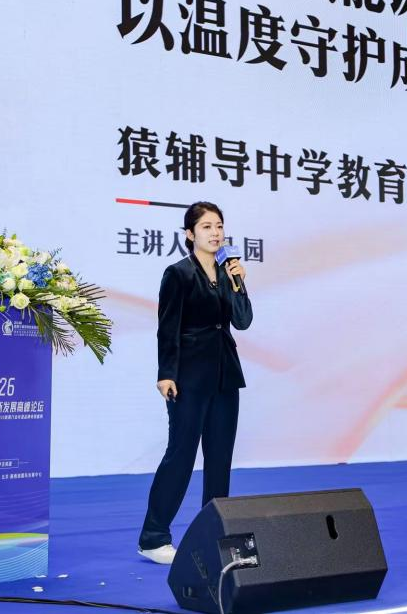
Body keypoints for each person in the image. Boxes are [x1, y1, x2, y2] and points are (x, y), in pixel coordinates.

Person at [138, 201, 253, 565]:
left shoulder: (227, 271)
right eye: (206, 227)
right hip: (188, 377)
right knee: (181, 455)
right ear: (190, 234)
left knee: (220, 459)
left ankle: (215, 535)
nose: (215, 233)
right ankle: (153, 537)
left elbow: (243, 321)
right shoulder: (178, 274)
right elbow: (167, 327)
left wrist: (239, 285)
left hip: (225, 375)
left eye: (219, 226)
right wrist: (166, 373)